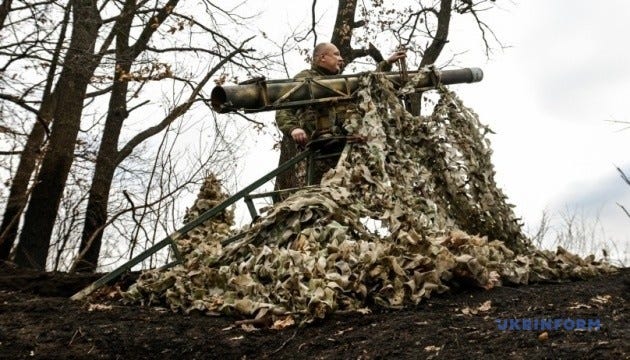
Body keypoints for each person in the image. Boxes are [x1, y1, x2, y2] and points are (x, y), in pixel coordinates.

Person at [275, 42, 406, 184]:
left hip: (346, 148)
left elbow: (369, 83)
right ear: (322, 57)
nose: (341, 59)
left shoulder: (342, 83)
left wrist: (386, 63)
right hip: (318, 154)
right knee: (320, 193)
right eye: (336, 54)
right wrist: (294, 128)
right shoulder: (304, 79)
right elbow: (284, 107)